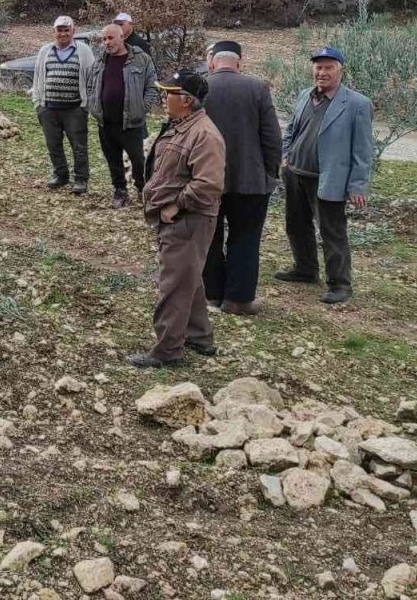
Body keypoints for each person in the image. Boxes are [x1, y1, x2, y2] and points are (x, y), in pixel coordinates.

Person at [130, 69, 225, 368]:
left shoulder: (204, 134)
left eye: (168, 93)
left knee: (173, 284)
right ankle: (199, 336)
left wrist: (175, 206)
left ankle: (167, 351)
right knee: (188, 278)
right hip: (180, 220)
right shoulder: (182, 125)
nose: (163, 97)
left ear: (185, 100)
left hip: (187, 221)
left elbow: (208, 184)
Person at [276, 47, 374, 305]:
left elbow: (363, 150)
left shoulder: (357, 104)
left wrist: (357, 185)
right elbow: (290, 131)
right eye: (318, 67)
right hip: (296, 172)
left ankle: (340, 284)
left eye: (328, 67)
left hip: (329, 179)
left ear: (340, 70)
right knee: (296, 226)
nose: (322, 72)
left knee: (332, 231)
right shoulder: (304, 95)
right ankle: (305, 269)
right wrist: (285, 156)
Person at [201, 41, 282, 315]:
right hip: (250, 181)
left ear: (213, 61)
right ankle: (238, 299)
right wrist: (269, 173)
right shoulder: (257, 88)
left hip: (207, 180)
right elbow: (272, 137)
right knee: (245, 239)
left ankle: (211, 294)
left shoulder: (200, 88)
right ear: (239, 62)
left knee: (209, 237)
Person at [85, 23, 157, 207]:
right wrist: (94, 107)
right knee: (113, 159)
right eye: (104, 39)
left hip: (131, 122)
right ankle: (120, 191)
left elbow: (151, 87)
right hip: (106, 122)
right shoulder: (100, 60)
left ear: (122, 37)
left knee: (138, 160)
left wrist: (142, 108)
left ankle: (143, 190)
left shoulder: (141, 59)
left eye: (110, 38)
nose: (107, 42)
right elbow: (91, 85)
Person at [31, 15, 95, 193]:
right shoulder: (45, 51)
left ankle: (81, 179)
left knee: (79, 146)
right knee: (53, 145)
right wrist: (38, 104)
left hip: (75, 109)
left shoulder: (84, 51)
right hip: (48, 108)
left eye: (67, 30)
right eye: (60, 30)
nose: (63, 33)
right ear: (54, 32)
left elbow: (92, 79)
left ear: (73, 31)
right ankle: (61, 174)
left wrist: (86, 105)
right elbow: (37, 78)